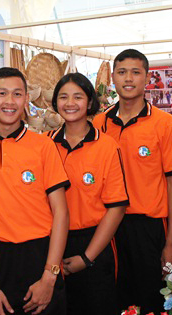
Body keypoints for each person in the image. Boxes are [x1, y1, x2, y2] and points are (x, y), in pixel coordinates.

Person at [0, 67, 70, 315]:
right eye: (2, 93)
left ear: (26, 99)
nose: (9, 101)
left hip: (42, 257)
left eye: (17, 94)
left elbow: (61, 213)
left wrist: (50, 276)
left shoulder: (44, 146)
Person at [92, 49, 172, 314]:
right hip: (108, 226)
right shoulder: (100, 123)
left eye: (135, 72)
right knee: (112, 298)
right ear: (113, 77)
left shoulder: (164, 123)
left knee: (151, 301)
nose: (128, 78)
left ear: (147, 77)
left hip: (149, 227)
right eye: (122, 72)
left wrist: (171, 243)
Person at [47, 72, 128, 315]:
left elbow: (117, 208)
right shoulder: (44, 145)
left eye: (77, 97)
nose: (70, 103)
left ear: (90, 101)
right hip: (50, 243)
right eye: (63, 97)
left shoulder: (107, 146)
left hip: (94, 244)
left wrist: (86, 258)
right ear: (55, 102)